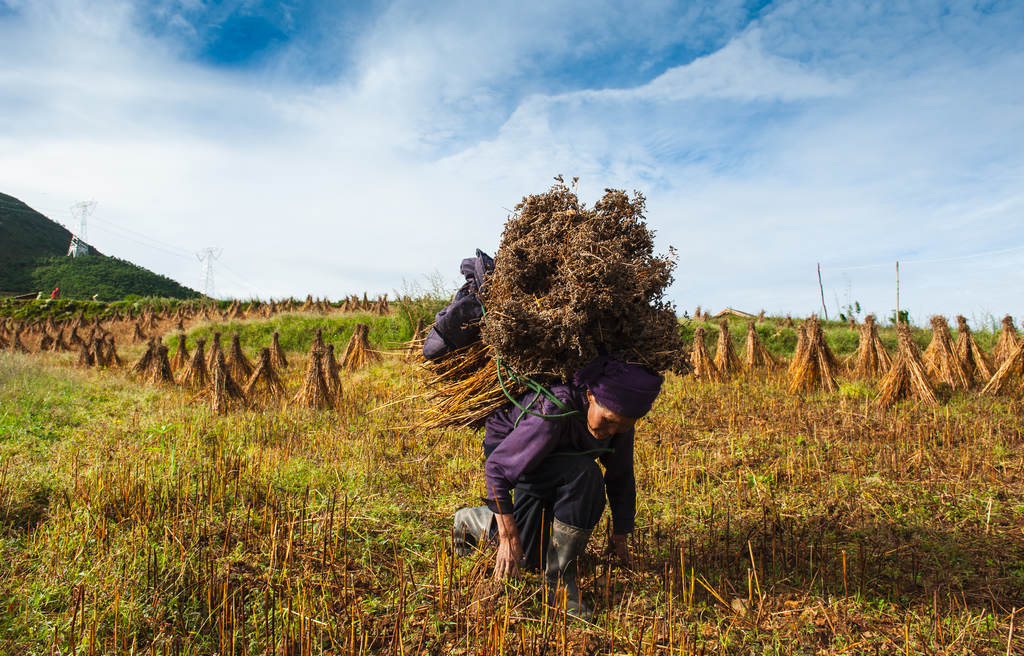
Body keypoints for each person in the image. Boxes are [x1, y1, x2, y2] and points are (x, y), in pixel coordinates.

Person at [453, 356, 663, 618]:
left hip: (562, 463)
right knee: (584, 476)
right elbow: (497, 469)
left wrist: (621, 533)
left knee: (533, 557)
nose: (612, 430)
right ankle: (556, 584)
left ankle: (552, 577)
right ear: (590, 395)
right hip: (520, 454)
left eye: (622, 425)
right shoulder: (553, 410)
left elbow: (620, 474)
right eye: (608, 420)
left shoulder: (618, 422)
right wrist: (508, 536)